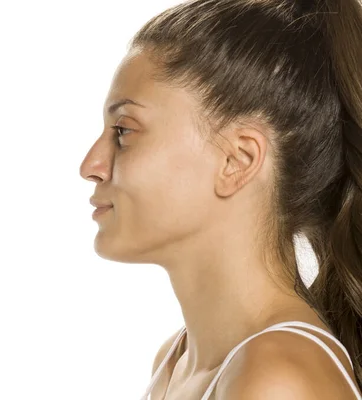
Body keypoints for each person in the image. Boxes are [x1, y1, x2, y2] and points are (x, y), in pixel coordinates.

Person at [79, 0, 362, 398]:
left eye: (123, 131)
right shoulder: (175, 361)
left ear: (237, 160)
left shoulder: (277, 378)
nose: (91, 165)